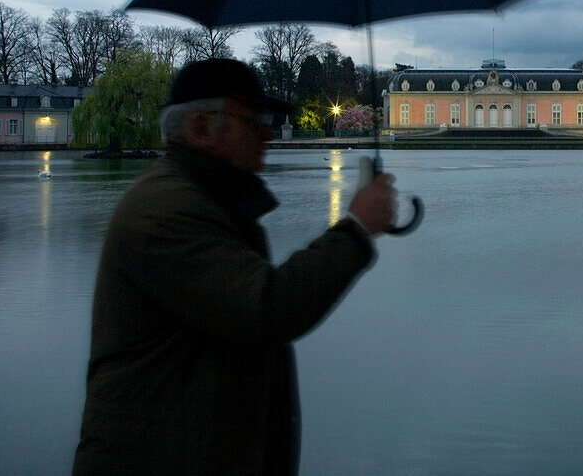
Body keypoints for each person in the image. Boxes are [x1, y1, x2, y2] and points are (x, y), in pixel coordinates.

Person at [72, 58, 398, 475]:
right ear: (202, 129)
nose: (267, 132)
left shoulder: (205, 200)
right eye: (252, 120)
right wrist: (355, 230)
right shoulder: (164, 211)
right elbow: (267, 309)